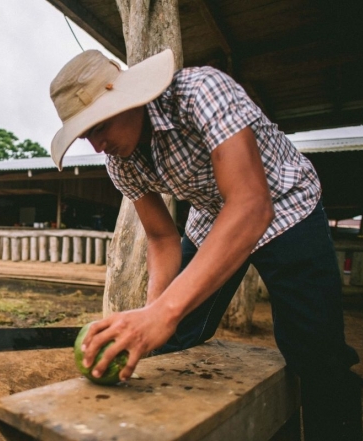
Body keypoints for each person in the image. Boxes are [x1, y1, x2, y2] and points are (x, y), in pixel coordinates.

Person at [49, 49, 361, 439]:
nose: (97, 146)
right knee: (172, 338)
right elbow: (163, 237)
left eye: (99, 127)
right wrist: (154, 313)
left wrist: (163, 313)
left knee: (314, 351)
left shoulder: (200, 91)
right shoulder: (121, 162)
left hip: (285, 204)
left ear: (123, 97)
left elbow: (250, 205)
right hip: (213, 216)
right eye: (86, 134)